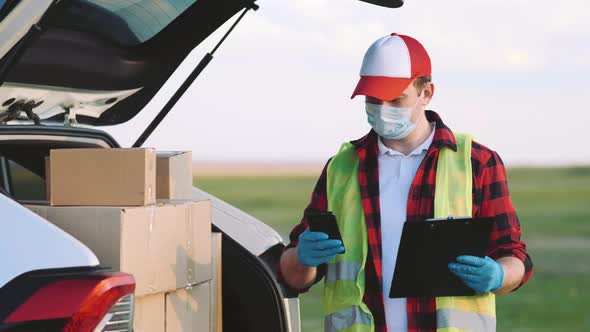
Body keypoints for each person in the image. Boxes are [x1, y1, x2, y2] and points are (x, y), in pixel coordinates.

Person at [277, 33, 534, 332]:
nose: (383, 107)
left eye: (397, 99)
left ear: (426, 92)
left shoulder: (477, 162)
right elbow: (293, 276)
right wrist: (301, 258)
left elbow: (515, 257)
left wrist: (500, 275)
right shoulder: (342, 168)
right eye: (374, 99)